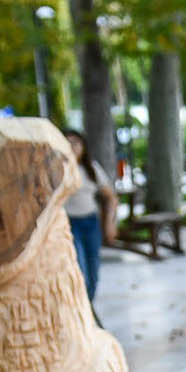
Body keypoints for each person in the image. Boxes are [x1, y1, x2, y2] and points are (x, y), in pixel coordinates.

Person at [61, 128, 116, 304]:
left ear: (83, 146)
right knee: (80, 267)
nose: (72, 147)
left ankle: (89, 306)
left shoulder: (91, 168)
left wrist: (110, 224)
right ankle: (83, 308)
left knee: (93, 268)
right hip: (70, 224)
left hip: (91, 222)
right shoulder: (56, 169)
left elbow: (111, 198)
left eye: (76, 142)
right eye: (67, 142)